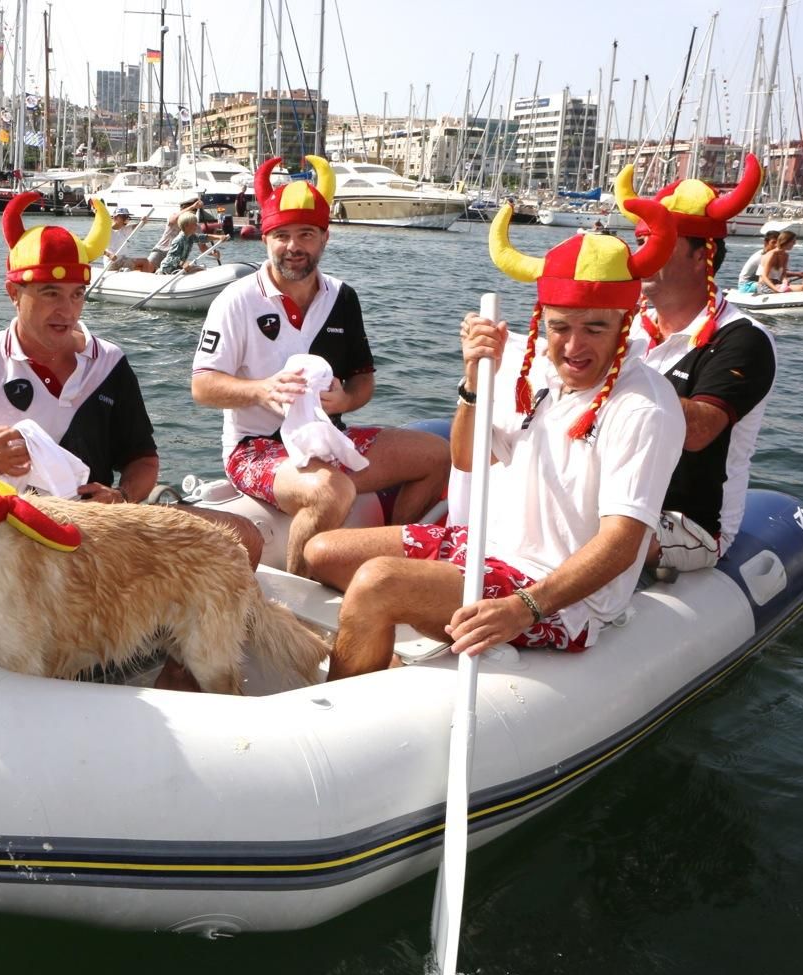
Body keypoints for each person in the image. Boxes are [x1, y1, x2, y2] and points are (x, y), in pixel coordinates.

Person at [305, 197, 686, 677]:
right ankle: (380, 648)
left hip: (555, 591)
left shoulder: (643, 404)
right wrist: (473, 379)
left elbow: (621, 543)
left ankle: (346, 712)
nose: (573, 346)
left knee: (378, 581)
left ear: (624, 323)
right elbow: (466, 457)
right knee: (322, 553)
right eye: (560, 327)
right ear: (541, 320)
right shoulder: (530, 365)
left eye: (594, 327)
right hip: (484, 547)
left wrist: (524, 607)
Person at [0, 192, 263, 567]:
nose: (66, 310)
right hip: (5, 545)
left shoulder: (109, 364)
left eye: (77, 295)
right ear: (13, 294)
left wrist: (120, 497)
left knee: (243, 538)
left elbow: (144, 461)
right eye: (50, 293)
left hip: (98, 531)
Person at [189, 155, 450, 576]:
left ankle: (390, 560)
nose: (294, 247)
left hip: (330, 438)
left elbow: (363, 380)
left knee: (437, 455)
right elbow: (202, 387)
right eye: (282, 235)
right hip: (254, 448)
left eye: (306, 234)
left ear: (325, 238)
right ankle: (299, 591)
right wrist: (261, 389)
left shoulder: (342, 298)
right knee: (331, 493)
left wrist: (345, 398)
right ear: (265, 239)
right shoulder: (236, 300)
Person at [615, 156, 777, 573]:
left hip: (687, 522)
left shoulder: (744, 339)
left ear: (701, 255)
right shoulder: (625, 323)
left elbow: (698, 431)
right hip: (612, 495)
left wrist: (606, 372)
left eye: (657, 241)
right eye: (640, 241)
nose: (641, 254)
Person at [147, 196, 200, 271]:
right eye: (189, 209)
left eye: (195, 210)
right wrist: (193, 206)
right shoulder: (174, 218)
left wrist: (213, 253)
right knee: (148, 267)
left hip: (177, 256)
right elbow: (173, 220)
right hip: (161, 251)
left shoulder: (196, 227)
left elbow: (202, 246)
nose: (192, 211)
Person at [157, 212, 221, 274]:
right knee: (198, 270)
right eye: (194, 224)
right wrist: (183, 263)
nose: (196, 226)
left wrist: (219, 237)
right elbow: (172, 257)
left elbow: (203, 238)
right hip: (169, 268)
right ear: (186, 226)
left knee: (201, 268)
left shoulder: (191, 236)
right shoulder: (179, 240)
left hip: (178, 266)